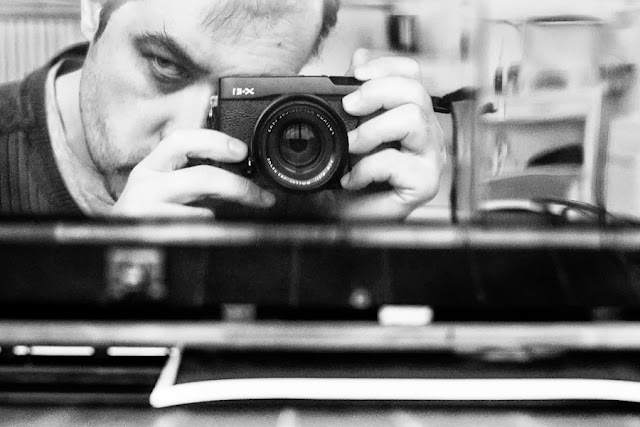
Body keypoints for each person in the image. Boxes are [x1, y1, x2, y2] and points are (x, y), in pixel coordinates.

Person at [0, 0, 445, 220]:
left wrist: (345, 244)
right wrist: (113, 262)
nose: (190, 140)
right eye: (164, 66)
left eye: (247, 98)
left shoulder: (296, 183)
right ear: (94, 8)